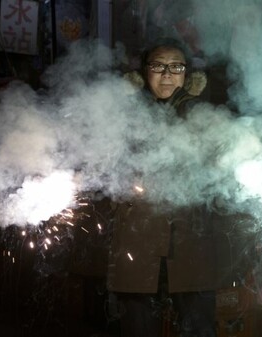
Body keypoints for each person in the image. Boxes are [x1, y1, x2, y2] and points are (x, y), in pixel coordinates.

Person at [106, 37, 217, 337]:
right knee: (138, 328)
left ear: (187, 75)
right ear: (143, 71)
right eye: (158, 66)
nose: (167, 74)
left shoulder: (205, 117)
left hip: (191, 245)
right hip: (137, 244)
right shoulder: (121, 115)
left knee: (199, 329)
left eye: (176, 66)